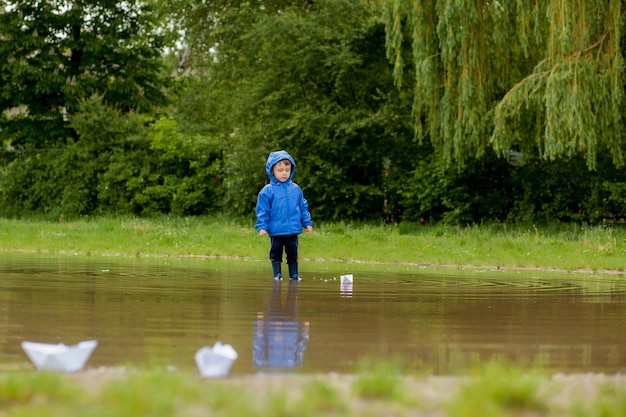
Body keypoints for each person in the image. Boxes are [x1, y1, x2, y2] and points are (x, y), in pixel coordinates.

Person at [255, 150, 313, 281]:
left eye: (287, 169)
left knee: (293, 252)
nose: (284, 173)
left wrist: (307, 223)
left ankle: (294, 274)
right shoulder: (267, 191)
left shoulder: (296, 189)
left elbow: (303, 207)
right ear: (272, 171)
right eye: (280, 170)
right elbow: (262, 210)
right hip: (276, 230)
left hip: (293, 229)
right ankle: (277, 274)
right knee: (276, 252)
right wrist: (262, 226)